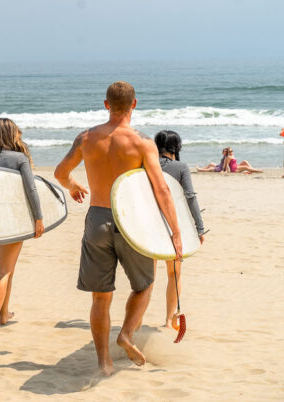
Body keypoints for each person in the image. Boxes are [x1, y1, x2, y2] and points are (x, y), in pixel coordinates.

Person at [54, 82, 182, 376]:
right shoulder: (142, 143)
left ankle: (104, 363)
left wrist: (73, 186)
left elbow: (61, 173)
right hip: (131, 220)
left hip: (97, 218)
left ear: (106, 104)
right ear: (134, 104)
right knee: (144, 285)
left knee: (100, 297)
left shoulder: (86, 138)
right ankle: (125, 334)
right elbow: (161, 189)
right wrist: (175, 232)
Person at [0, 118, 44, 336]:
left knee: (6, 268)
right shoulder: (19, 158)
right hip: (11, 223)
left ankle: (4, 314)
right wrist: (38, 218)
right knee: (3, 271)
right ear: (13, 134)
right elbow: (31, 190)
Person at [154, 130, 206, 328]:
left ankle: (137, 321)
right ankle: (168, 321)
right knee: (174, 275)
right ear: (176, 148)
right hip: (174, 227)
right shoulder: (181, 167)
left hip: (149, 226)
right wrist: (200, 228)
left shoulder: (145, 165)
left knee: (147, 278)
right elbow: (190, 197)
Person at [197, 147, 263, 174]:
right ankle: (258, 171)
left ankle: (252, 170)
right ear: (228, 152)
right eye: (230, 151)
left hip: (236, 166)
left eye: (232, 151)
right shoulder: (228, 157)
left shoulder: (232, 155)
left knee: (245, 161)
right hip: (233, 169)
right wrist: (225, 171)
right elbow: (227, 165)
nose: (231, 152)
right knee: (245, 167)